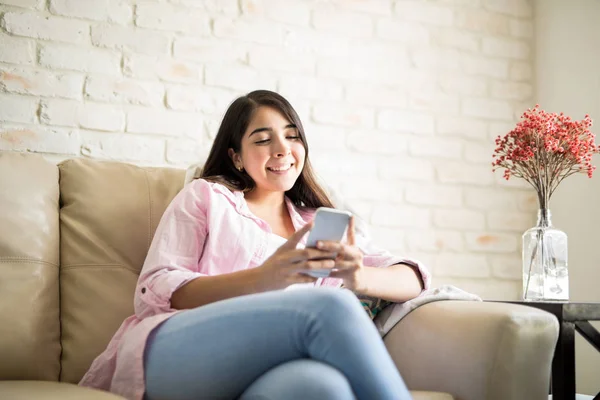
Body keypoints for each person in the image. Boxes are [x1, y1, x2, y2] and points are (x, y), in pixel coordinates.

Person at [79, 90, 431, 400]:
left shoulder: (316, 224)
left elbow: (413, 277)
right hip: (175, 352)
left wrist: (359, 277)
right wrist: (264, 278)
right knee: (330, 306)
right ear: (236, 157)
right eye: (263, 140)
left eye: (292, 136)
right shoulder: (208, 197)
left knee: (323, 386)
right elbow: (155, 288)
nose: (282, 149)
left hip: (261, 370)